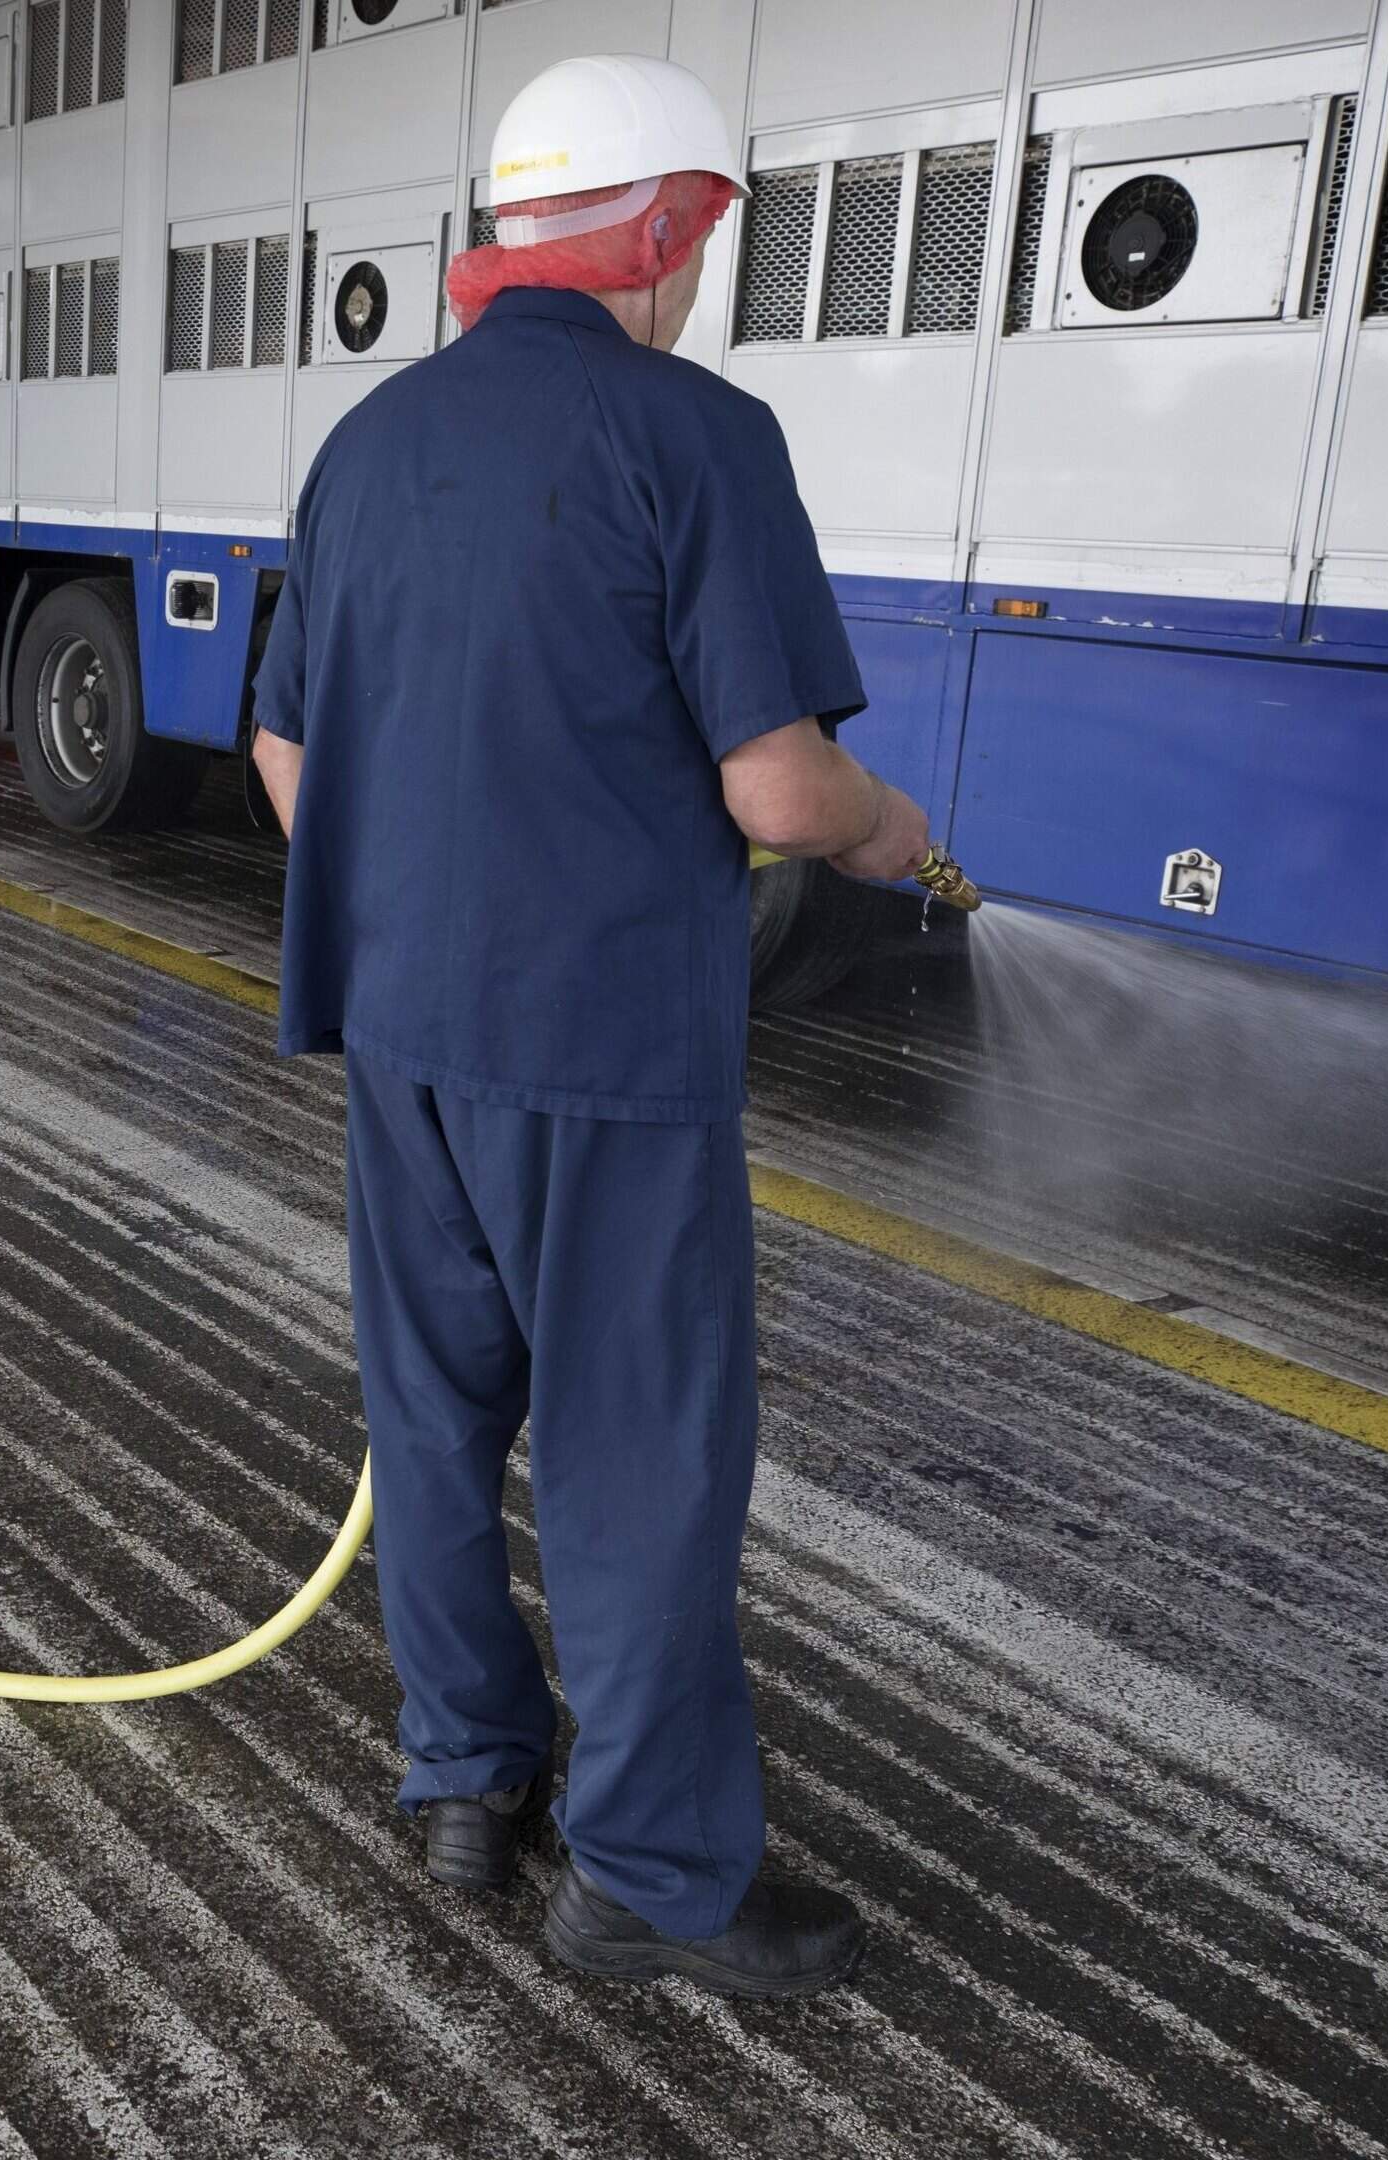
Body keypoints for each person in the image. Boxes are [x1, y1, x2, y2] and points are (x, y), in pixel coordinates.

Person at [246, 53, 934, 2001]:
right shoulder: (693, 433)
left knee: (435, 1421)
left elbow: (290, 744)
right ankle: (648, 1874)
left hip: (401, 1029)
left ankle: (469, 1777)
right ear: (671, 227)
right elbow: (783, 793)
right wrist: (894, 833)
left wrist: (418, 905)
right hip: (608, 1044)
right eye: (708, 235)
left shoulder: (370, 444)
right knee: (635, 1458)